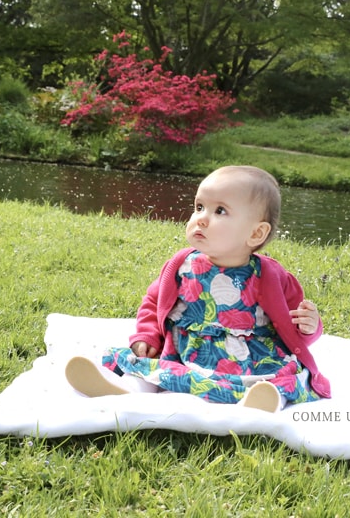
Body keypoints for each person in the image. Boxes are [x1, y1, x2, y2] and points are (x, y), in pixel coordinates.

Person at [65, 165, 331, 412]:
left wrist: (309, 326)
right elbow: (153, 302)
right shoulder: (182, 265)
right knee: (155, 371)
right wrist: (147, 337)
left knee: (285, 378)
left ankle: (264, 401)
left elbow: (295, 329)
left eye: (220, 211)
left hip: (250, 360)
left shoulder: (272, 276)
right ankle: (124, 390)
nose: (201, 219)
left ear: (256, 234)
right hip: (186, 352)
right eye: (199, 206)